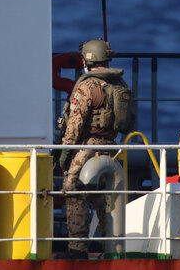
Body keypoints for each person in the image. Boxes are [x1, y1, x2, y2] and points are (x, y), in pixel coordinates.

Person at [57, 39, 133, 258]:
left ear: (87, 59)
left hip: (87, 148)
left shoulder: (86, 86)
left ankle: (77, 249)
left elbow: (74, 126)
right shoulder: (121, 85)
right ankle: (112, 247)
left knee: (74, 191)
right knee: (106, 198)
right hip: (111, 148)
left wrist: (64, 154)